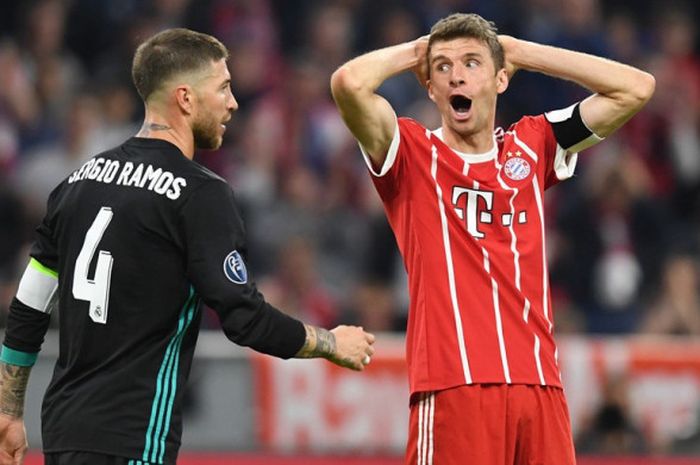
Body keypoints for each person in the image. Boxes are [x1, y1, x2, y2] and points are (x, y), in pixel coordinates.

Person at [0, 28, 375, 465]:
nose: (233, 103)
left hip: (63, 433)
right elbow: (244, 318)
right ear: (185, 98)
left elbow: (28, 306)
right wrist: (330, 342)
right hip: (135, 439)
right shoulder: (199, 193)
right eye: (223, 88)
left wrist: (9, 412)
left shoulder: (76, 183)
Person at [331, 12, 654, 465]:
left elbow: (635, 88)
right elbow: (349, 83)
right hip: (454, 386)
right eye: (443, 68)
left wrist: (521, 51)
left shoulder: (534, 143)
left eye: (471, 63)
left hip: (540, 386)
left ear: (501, 79)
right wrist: (418, 51)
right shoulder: (410, 153)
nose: (456, 75)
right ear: (430, 88)